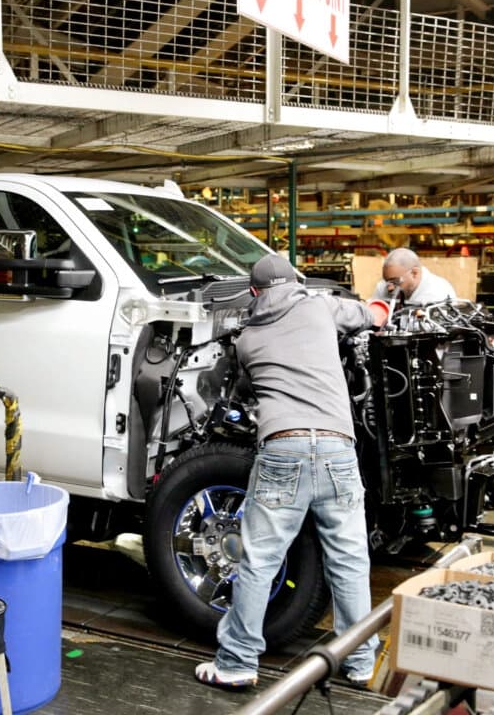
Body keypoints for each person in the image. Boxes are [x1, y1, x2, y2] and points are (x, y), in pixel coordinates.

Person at [195, 253, 386, 690]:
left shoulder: (247, 339)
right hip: (337, 447)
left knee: (259, 561)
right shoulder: (320, 306)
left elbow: (245, 389)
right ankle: (360, 661)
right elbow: (369, 315)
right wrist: (381, 307)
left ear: (254, 292)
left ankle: (238, 662)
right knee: (350, 561)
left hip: (283, 448)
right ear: (296, 282)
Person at [371, 247, 457, 304]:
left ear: (414, 273)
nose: (390, 288)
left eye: (395, 281)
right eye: (387, 281)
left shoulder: (437, 293)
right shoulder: (384, 286)